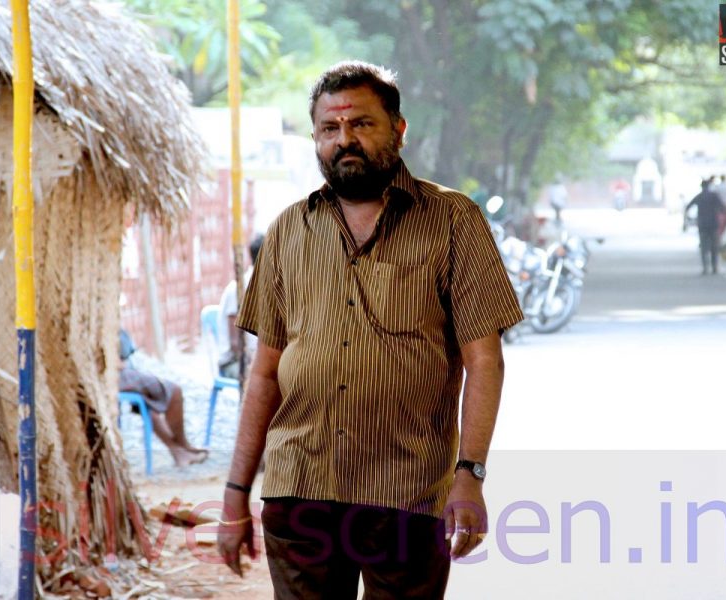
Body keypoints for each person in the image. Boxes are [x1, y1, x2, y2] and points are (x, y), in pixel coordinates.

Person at [217, 61, 523, 599]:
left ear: (398, 129)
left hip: (405, 490)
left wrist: (470, 474)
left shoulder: (454, 221)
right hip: (299, 490)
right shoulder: (288, 230)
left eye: (361, 124)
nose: (345, 140)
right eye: (330, 129)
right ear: (315, 138)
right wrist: (235, 492)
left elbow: (485, 362)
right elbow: (264, 372)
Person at [119, 329, 208, 467]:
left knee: (150, 404)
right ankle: (183, 445)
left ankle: (179, 452)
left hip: (126, 374)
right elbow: (119, 361)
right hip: (120, 375)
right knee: (174, 391)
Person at [217, 235, 264, 379]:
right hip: (235, 362)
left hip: (257, 361)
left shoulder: (268, 286)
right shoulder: (238, 289)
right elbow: (235, 345)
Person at [685, 179, 726, 275]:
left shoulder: (699, 197)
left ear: (701, 187)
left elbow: (688, 207)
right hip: (713, 225)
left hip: (702, 225)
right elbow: (723, 208)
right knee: (714, 247)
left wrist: (689, 219)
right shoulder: (714, 196)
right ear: (709, 186)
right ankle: (714, 267)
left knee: (704, 247)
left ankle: (705, 267)